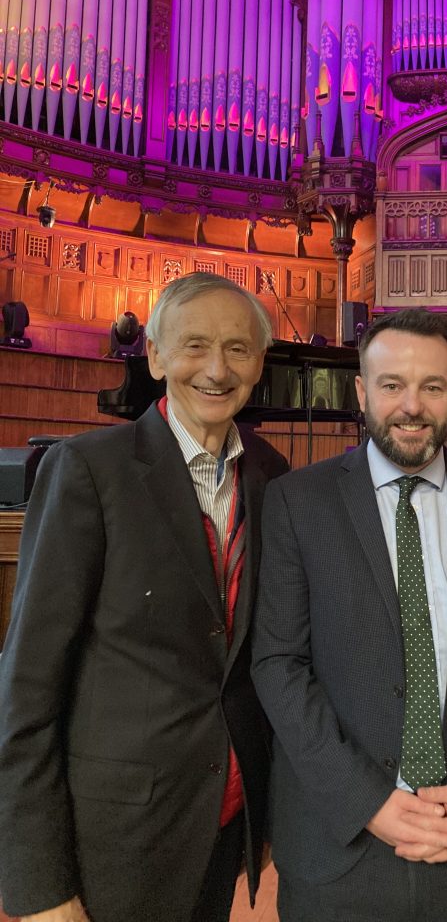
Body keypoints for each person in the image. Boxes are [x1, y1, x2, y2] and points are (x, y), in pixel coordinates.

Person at [0, 272, 288, 922]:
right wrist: (39, 881)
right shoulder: (90, 472)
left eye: (238, 349)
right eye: (194, 346)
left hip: (225, 817)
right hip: (116, 835)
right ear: (155, 356)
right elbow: (28, 686)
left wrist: (264, 812)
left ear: (259, 363)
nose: (216, 369)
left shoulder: (272, 475)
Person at [252, 307, 447, 922]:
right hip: (339, 844)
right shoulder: (296, 503)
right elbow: (278, 664)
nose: (412, 405)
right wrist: (368, 802)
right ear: (361, 391)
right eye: (392, 385)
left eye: (432, 386)